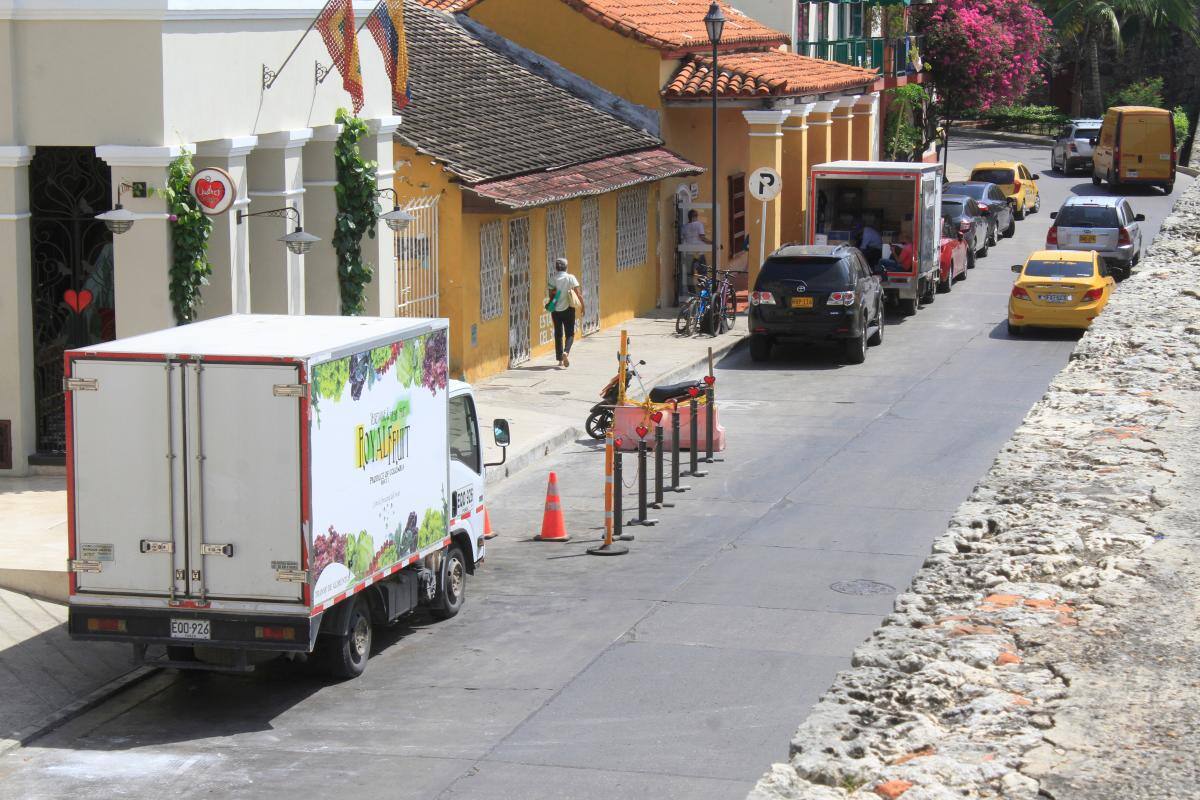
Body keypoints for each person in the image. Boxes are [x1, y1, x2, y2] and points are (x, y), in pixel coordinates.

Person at [547, 257, 584, 368]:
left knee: (558, 334)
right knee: (570, 334)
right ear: (566, 267)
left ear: (556, 268)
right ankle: (566, 352)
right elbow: (578, 294)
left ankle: (559, 360)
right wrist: (583, 306)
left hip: (555, 310)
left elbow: (551, 295)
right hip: (569, 309)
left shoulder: (552, 279)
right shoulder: (570, 278)